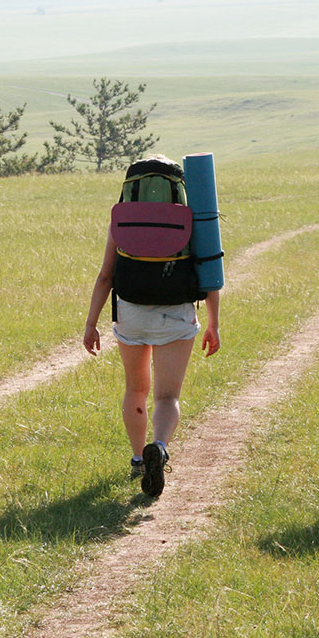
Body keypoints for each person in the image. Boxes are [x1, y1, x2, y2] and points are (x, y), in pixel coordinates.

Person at [83, 156, 220, 498]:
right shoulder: (192, 219)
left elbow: (105, 276)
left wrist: (91, 324)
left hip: (130, 311)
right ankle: (158, 446)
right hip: (176, 313)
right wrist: (214, 323)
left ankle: (137, 457)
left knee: (135, 389)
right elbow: (210, 276)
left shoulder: (122, 222)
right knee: (168, 395)